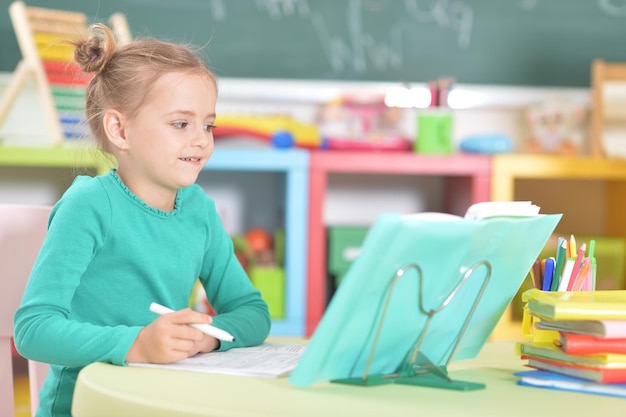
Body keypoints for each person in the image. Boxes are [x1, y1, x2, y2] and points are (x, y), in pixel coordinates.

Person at [14, 24, 271, 417]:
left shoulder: (199, 208)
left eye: (208, 124)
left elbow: (253, 313)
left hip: (159, 399)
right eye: (181, 124)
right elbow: (33, 329)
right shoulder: (90, 205)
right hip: (83, 405)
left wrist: (207, 339)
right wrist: (136, 343)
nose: (202, 139)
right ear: (119, 129)